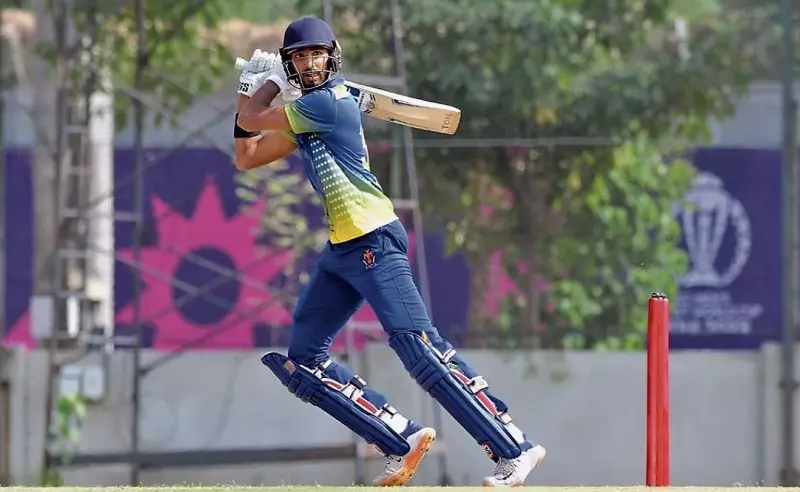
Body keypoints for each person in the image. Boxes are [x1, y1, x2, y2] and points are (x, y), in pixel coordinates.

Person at [232, 16, 546, 487]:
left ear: (332, 57)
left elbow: (252, 119)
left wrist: (267, 85)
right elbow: (248, 155)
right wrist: (249, 90)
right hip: (342, 249)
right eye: (300, 57)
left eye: (316, 54)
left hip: (374, 238)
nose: (310, 63)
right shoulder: (304, 115)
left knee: (417, 347)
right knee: (304, 362)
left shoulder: (327, 104)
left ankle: (513, 447)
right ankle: (399, 437)